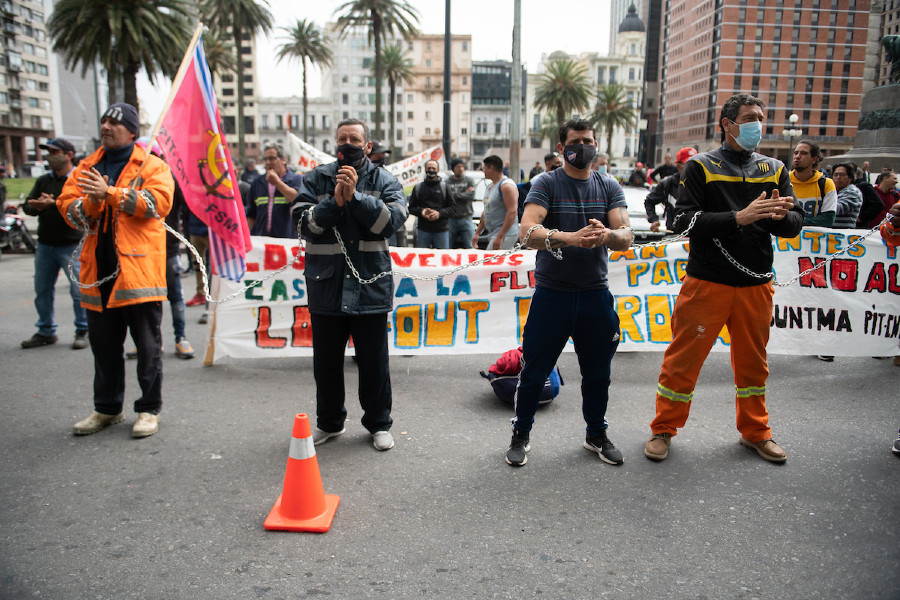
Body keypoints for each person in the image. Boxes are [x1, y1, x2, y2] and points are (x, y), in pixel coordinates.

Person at [644, 93, 804, 464]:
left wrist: (777, 215)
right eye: (749, 117)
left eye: (761, 117)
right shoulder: (700, 166)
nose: (757, 125)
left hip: (756, 285)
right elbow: (681, 223)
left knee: (753, 364)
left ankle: (756, 432)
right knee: (683, 360)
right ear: (727, 124)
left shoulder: (776, 169)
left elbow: (795, 225)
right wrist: (739, 218)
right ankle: (663, 429)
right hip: (707, 282)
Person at [506, 117, 633, 467]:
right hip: (553, 295)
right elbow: (528, 231)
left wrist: (607, 235)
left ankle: (596, 434)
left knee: (598, 374)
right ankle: (521, 434)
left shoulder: (608, 185)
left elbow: (626, 235)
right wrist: (571, 238)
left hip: (595, 295)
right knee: (534, 371)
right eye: (576, 141)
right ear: (562, 147)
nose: (583, 147)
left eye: (589, 140)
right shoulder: (546, 182)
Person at [57, 103, 174, 438]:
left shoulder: (152, 165)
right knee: (104, 345)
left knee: (147, 347)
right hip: (98, 272)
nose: (106, 126)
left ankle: (149, 410)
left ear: (132, 132)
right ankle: (107, 408)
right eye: (104, 121)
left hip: (139, 273)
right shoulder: (87, 166)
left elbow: (158, 204)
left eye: (114, 123)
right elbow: (70, 210)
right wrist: (93, 201)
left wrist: (109, 193)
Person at [295, 118, 407, 451]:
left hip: (370, 287)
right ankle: (329, 423)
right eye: (342, 138)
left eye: (355, 138)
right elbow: (303, 224)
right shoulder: (316, 178)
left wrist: (355, 198)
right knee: (326, 363)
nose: (348, 143)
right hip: (325, 286)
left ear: (368, 146)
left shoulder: (386, 180)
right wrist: (334, 202)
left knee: (374, 363)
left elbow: (391, 223)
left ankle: (378, 424)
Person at [20, 138, 89, 350]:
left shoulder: (79, 179)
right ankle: (45, 330)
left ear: (68, 154)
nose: (50, 155)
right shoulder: (44, 181)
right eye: (48, 151)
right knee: (42, 289)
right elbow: (27, 207)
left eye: (55, 151)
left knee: (78, 290)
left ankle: (83, 329)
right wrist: (37, 206)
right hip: (45, 245)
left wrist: (54, 204)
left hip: (71, 244)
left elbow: (82, 210)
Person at [247, 143, 303, 238]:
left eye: (272, 158)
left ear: (283, 160)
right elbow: (251, 214)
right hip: (262, 242)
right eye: (265, 159)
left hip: (287, 241)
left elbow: (296, 198)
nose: (268, 162)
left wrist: (277, 183)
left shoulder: (297, 180)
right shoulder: (257, 183)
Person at [644, 146, 697, 233]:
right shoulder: (667, 183)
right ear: (678, 165)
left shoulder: (704, 184)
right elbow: (649, 201)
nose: (693, 168)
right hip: (673, 236)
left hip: (697, 238)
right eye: (688, 164)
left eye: (695, 164)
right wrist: (654, 220)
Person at [407, 158, 456, 249]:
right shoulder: (418, 188)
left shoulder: (445, 187)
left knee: (443, 260)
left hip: (441, 231)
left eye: (434, 168)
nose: (431, 170)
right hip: (423, 231)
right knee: (421, 260)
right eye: (429, 168)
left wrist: (439, 214)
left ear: (438, 170)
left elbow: (453, 208)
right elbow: (411, 208)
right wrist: (422, 212)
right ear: (425, 169)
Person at [474, 155, 518, 250]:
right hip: (493, 233)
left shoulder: (506, 186)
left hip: (506, 234)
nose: (483, 171)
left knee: (491, 261)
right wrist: (477, 233)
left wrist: (500, 236)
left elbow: (512, 212)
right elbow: (486, 211)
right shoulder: (490, 186)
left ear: (491, 168)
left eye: (484, 168)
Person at [790, 140, 836, 227]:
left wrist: (795, 223)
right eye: (796, 153)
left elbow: (828, 219)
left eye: (803, 153)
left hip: (813, 239)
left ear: (814, 159)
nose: (797, 156)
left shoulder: (826, 184)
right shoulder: (783, 181)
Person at [446, 158, 476, 249]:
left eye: (462, 166)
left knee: (470, 246)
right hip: (451, 219)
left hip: (466, 217)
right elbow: (447, 198)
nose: (461, 169)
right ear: (453, 169)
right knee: (447, 247)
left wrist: (454, 194)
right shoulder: (447, 182)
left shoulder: (469, 180)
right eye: (458, 167)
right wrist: (464, 193)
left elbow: (471, 196)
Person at [830, 163, 863, 229]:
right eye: (836, 175)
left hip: (844, 235)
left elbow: (839, 209)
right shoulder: (833, 191)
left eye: (842, 175)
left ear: (850, 178)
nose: (838, 177)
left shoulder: (853, 191)